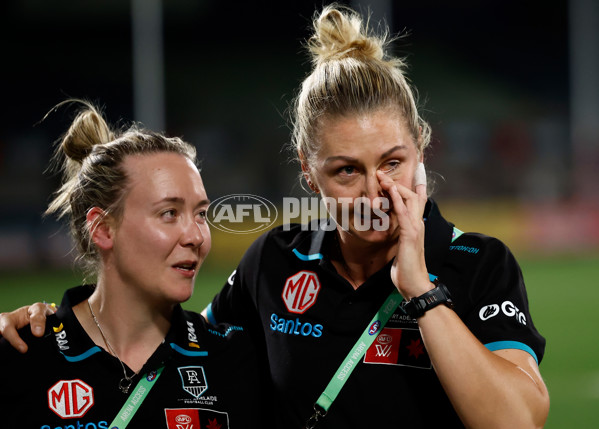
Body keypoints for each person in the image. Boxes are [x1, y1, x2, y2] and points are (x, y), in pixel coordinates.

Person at [1, 6, 549, 429]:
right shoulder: (276, 262)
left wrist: (420, 291)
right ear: (310, 176)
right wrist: (54, 327)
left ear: (423, 151)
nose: (377, 190)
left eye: (393, 162)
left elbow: (517, 420)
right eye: (346, 171)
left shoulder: (478, 264)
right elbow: (180, 351)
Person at [0, 100, 263, 428]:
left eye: (201, 214)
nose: (195, 236)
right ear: (103, 228)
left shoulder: (236, 360)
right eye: (169, 213)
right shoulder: (22, 354)